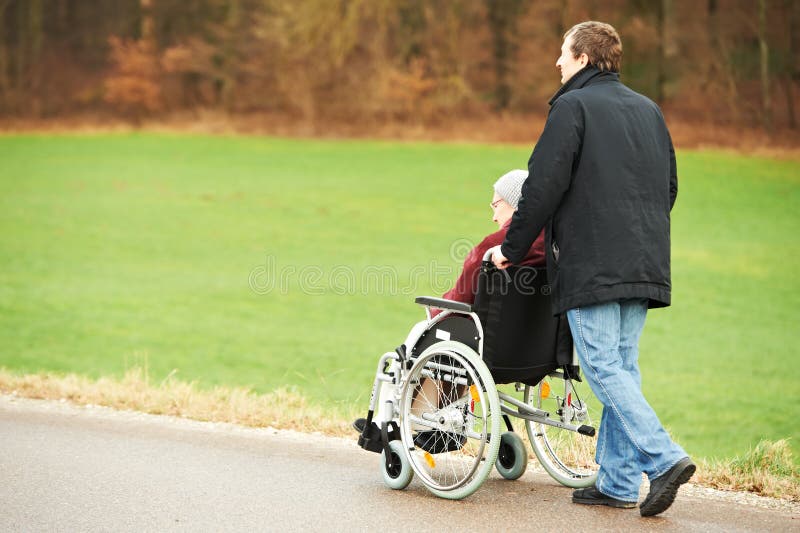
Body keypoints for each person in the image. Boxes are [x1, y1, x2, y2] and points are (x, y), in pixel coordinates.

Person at [488, 21, 694, 517]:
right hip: (643, 260)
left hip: (594, 262)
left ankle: (664, 459)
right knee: (622, 368)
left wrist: (509, 251)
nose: (557, 63)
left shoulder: (571, 107)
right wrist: (634, 235)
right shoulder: (649, 110)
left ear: (582, 57)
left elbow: (540, 189)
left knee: (602, 367)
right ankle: (620, 483)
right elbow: (669, 188)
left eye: (562, 54)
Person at [353, 169, 546, 436]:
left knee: (419, 338)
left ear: (515, 203)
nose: (493, 215)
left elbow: (460, 296)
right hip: (535, 348)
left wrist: (434, 313)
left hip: (487, 345)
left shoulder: (494, 246)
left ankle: (394, 424)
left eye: (496, 204)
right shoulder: (553, 245)